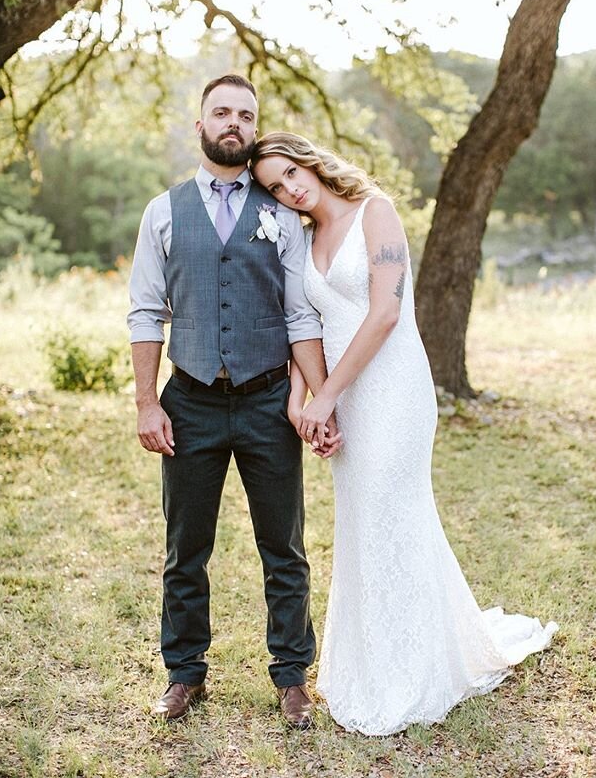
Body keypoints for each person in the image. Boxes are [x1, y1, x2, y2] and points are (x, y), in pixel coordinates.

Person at [250, 131, 559, 736]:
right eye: (274, 187)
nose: (289, 189)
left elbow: (387, 313)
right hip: (341, 390)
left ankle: (415, 671)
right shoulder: (306, 238)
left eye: (290, 172)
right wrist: (305, 398)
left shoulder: (376, 212)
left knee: (393, 511)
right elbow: (303, 322)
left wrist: (330, 393)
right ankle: (367, 661)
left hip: (391, 388)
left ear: (308, 161)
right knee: (362, 519)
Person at [127, 77, 340, 728]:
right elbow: (144, 312)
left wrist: (317, 400)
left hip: (267, 400)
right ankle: (185, 672)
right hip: (187, 399)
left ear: (253, 128)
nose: (233, 123)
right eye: (221, 111)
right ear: (200, 125)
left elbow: (301, 313)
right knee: (184, 545)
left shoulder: (281, 215)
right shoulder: (162, 212)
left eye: (245, 115)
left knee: (284, 544)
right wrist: (145, 403)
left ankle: (291, 676)